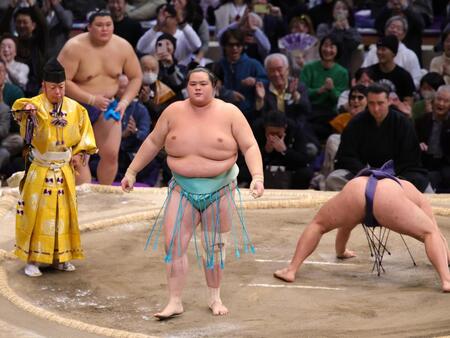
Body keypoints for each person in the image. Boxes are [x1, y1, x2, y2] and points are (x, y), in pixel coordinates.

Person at [121, 67, 264, 318]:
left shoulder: (230, 113)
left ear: (214, 86)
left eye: (203, 84)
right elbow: (153, 142)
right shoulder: (173, 111)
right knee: (173, 244)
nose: (197, 88)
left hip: (219, 189)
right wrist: (131, 171)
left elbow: (249, 145)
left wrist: (257, 177)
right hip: (182, 188)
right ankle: (174, 301)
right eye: (192, 84)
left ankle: (214, 297)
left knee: (215, 246)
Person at [273, 162, 450, 292]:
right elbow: (435, 233)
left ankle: (291, 270)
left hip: (355, 194)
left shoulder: (360, 182)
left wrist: (341, 251)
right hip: (389, 200)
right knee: (429, 232)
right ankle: (446, 281)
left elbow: (345, 226)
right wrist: (447, 257)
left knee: (318, 224)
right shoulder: (409, 189)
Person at [11, 58, 97, 277]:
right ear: (43, 86)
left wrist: (79, 153)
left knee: (64, 214)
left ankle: (61, 257)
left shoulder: (75, 108)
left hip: (64, 170)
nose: (58, 92)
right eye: (53, 88)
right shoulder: (35, 105)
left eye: (61, 87)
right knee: (37, 215)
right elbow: (20, 108)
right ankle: (34, 260)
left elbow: (85, 136)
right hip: (41, 168)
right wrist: (27, 110)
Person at [58, 9, 142, 185]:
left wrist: (125, 102)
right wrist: (91, 99)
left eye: (108, 25)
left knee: (111, 155)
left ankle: (105, 194)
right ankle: (83, 199)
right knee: (78, 158)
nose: (104, 29)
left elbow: (136, 77)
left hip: (108, 106)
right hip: (76, 107)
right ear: (89, 27)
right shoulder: (74, 47)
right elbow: (61, 81)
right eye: (99, 25)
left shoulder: (123, 47)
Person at [326, 84, 430, 192]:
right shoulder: (356, 123)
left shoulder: (402, 123)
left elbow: (410, 159)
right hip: (362, 176)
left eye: (380, 103)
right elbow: (346, 156)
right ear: (367, 102)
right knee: (334, 178)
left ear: (389, 101)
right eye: (372, 103)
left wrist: (387, 175)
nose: (376, 109)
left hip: (396, 177)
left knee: (420, 182)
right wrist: (366, 171)